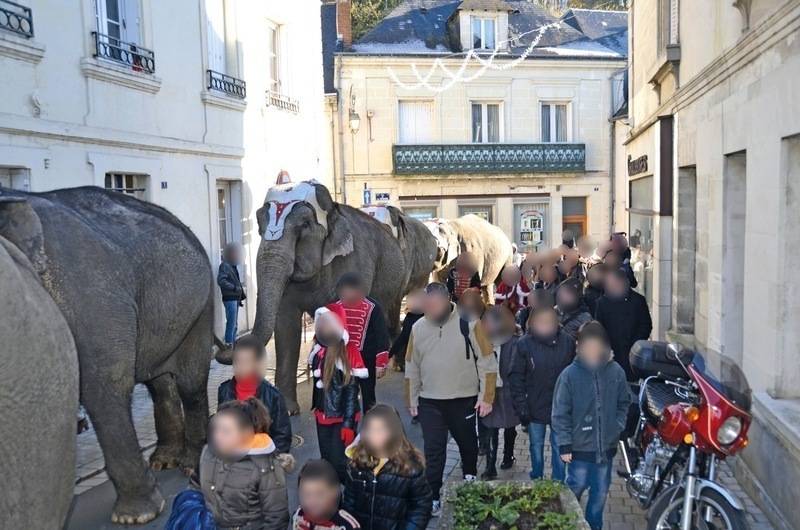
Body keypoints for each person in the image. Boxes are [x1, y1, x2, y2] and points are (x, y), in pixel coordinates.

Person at [405, 282, 497, 516]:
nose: (432, 311)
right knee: (433, 451)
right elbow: (411, 366)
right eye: (428, 306)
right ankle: (433, 496)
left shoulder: (470, 323)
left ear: (447, 301)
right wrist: (412, 398)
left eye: (436, 306)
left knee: (467, 443)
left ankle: (469, 478)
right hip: (430, 401)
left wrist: (486, 397)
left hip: (462, 399)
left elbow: (486, 361)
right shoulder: (418, 328)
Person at [552, 322, 631, 530]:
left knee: (600, 492)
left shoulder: (615, 372)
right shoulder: (569, 375)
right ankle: (569, 523)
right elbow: (560, 414)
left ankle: (594, 525)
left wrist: (617, 425)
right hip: (579, 450)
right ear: (578, 346)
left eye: (597, 346)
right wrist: (565, 443)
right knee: (575, 487)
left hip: (605, 450)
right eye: (588, 346)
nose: (593, 352)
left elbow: (625, 401)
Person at [194, 398, 291, 530]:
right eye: (216, 428)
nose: (217, 436)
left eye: (226, 431)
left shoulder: (265, 466)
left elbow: (276, 516)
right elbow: (194, 485)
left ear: (246, 433)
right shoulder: (207, 452)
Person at [509, 306, 574, 481]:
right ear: (533, 323)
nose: (545, 326)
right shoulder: (524, 344)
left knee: (559, 445)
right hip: (534, 406)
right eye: (541, 322)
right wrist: (521, 405)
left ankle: (558, 482)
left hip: (560, 409)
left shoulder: (567, 342)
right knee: (535, 445)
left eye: (549, 323)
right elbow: (516, 377)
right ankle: (537, 477)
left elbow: (574, 375)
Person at [343, 404, 432, 529]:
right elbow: (350, 499)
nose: (372, 435)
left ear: (393, 432)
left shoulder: (410, 467)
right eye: (369, 429)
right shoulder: (357, 462)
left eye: (379, 430)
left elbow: (421, 506)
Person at [310, 303, 366, 481]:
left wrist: (348, 425)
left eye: (329, 322)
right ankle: (331, 499)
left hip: (341, 418)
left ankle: (352, 498)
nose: (324, 326)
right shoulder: (318, 350)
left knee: (340, 464)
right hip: (323, 415)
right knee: (327, 461)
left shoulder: (346, 352)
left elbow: (351, 391)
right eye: (322, 322)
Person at [217, 335, 292, 453]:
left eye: (246, 361)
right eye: (237, 361)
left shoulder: (273, 396)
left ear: (256, 364)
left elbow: (282, 436)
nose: (240, 367)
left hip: (262, 461)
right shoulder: (224, 390)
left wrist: (271, 461)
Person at [334, 272, 391, 412]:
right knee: (346, 397)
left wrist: (380, 364)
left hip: (367, 361)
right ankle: (348, 428)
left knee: (368, 397)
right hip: (343, 360)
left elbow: (382, 336)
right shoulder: (335, 307)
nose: (344, 294)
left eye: (347, 290)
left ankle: (370, 425)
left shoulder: (373, 307)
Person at [479, 306, 521, 479]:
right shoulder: (482, 342)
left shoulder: (515, 342)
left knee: (510, 427)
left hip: (509, 393)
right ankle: (490, 465)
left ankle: (508, 454)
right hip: (490, 392)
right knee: (491, 428)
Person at [594, 269, 652, 381]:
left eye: (615, 284)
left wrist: (636, 343)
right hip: (612, 354)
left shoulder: (638, 301)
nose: (612, 287)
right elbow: (599, 327)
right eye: (609, 285)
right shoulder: (602, 303)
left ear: (623, 282)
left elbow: (646, 325)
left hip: (632, 351)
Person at [293, 459, 361, 530]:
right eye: (306, 495)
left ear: (334, 494)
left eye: (320, 495)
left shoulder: (348, 525)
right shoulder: (299, 515)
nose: (311, 502)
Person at [388, 289, 425, 372]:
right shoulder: (427, 318)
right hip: (423, 358)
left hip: (414, 358)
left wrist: (390, 354)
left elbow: (402, 339)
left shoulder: (411, 320)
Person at [217, 242, 246, 347]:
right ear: (229, 253)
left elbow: (236, 281)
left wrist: (239, 296)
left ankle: (232, 344)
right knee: (231, 322)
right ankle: (229, 344)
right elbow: (221, 281)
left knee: (234, 324)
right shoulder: (225, 265)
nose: (236, 255)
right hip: (230, 298)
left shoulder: (233, 266)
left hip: (235, 298)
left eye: (237, 253)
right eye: (234, 253)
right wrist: (234, 288)